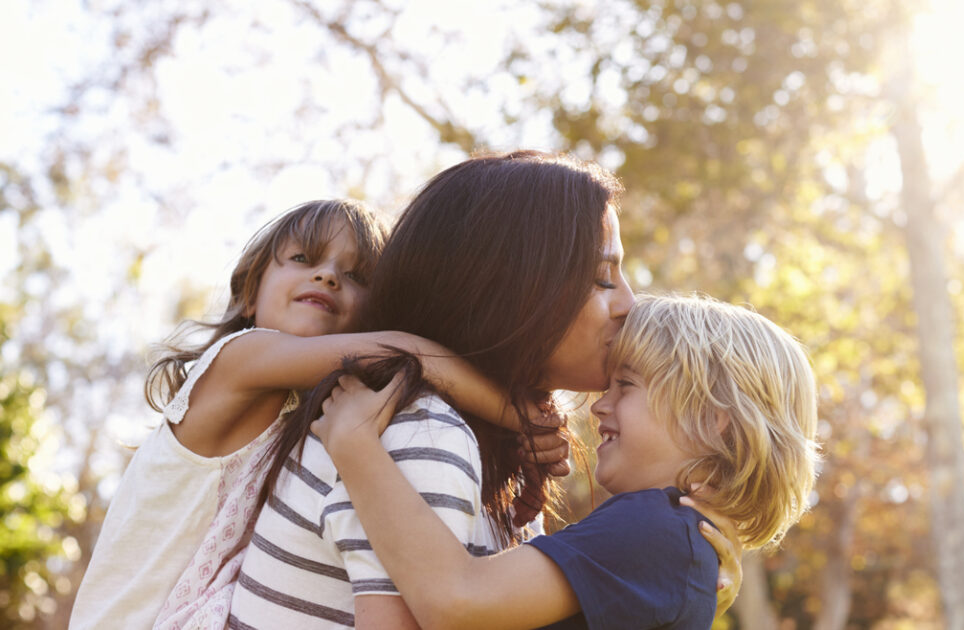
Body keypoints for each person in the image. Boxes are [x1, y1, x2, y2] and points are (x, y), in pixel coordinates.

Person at [228, 153, 740, 629]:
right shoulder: (421, 433)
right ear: (513, 287)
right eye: (602, 276)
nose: (629, 303)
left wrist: (675, 577)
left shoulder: (472, 441)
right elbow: (453, 600)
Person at [69, 199, 563, 630]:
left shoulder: (308, 412)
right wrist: (519, 416)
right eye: (303, 259)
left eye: (356, 276)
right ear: (248, 293)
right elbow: (404, 351)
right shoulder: (237, 361)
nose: (327, 275)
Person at [316, 293, 820, 629]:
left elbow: (456, 600)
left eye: (626, 385)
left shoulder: (653, 528)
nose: (600, 404)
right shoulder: (676, 542)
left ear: (713, 421)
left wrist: (355, 443)